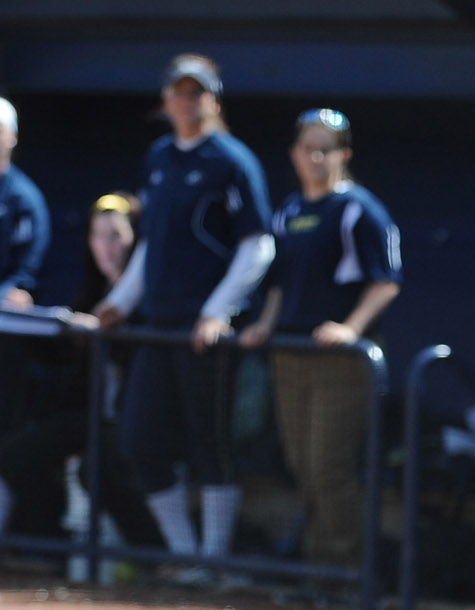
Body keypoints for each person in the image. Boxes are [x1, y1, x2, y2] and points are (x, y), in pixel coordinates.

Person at [92, 53, 273, 583]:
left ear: (213, 100)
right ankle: (189, 554)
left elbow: (257, 245)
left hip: (204, 332)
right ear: (166, 99)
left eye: (198, 93)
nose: (188, 101)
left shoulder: (233, 160)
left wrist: (217, 312)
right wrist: (120, 301)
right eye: (179, 92)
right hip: (159, 326)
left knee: (208, 444)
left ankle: (216, 561)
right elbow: (153, 245)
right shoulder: (159, 156)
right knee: (138, 442)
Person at [238, 108, 402, 568]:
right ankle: (317, 566)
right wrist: (264, 325)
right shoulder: (288, 211)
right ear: (293, 154)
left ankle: (347, 572)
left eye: (325, 149)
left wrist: (350, 329)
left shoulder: (359, 209)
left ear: (343, 154)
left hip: (342, 360)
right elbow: (278, 283)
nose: (315, 157)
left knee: (329, 467)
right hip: (290, 355)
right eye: (307, 148)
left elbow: (386, 280)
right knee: (302, 466)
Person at [0, 193, 160, 551]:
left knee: (98, 468)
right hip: (87, 415)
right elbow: (61, 358)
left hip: (131, 418)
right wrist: (29, 322)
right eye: (99, 236)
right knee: (13, 455)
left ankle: (154, 554)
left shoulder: (149, 293)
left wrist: (107, 334)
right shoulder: (90, 290)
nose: (108, 247)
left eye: (116, 235)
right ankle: (50, 543)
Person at [0, 96, 53, 432]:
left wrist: (10, 290)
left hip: (6, 325)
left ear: (12, 136)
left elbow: (26, 273)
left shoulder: (23, 197)